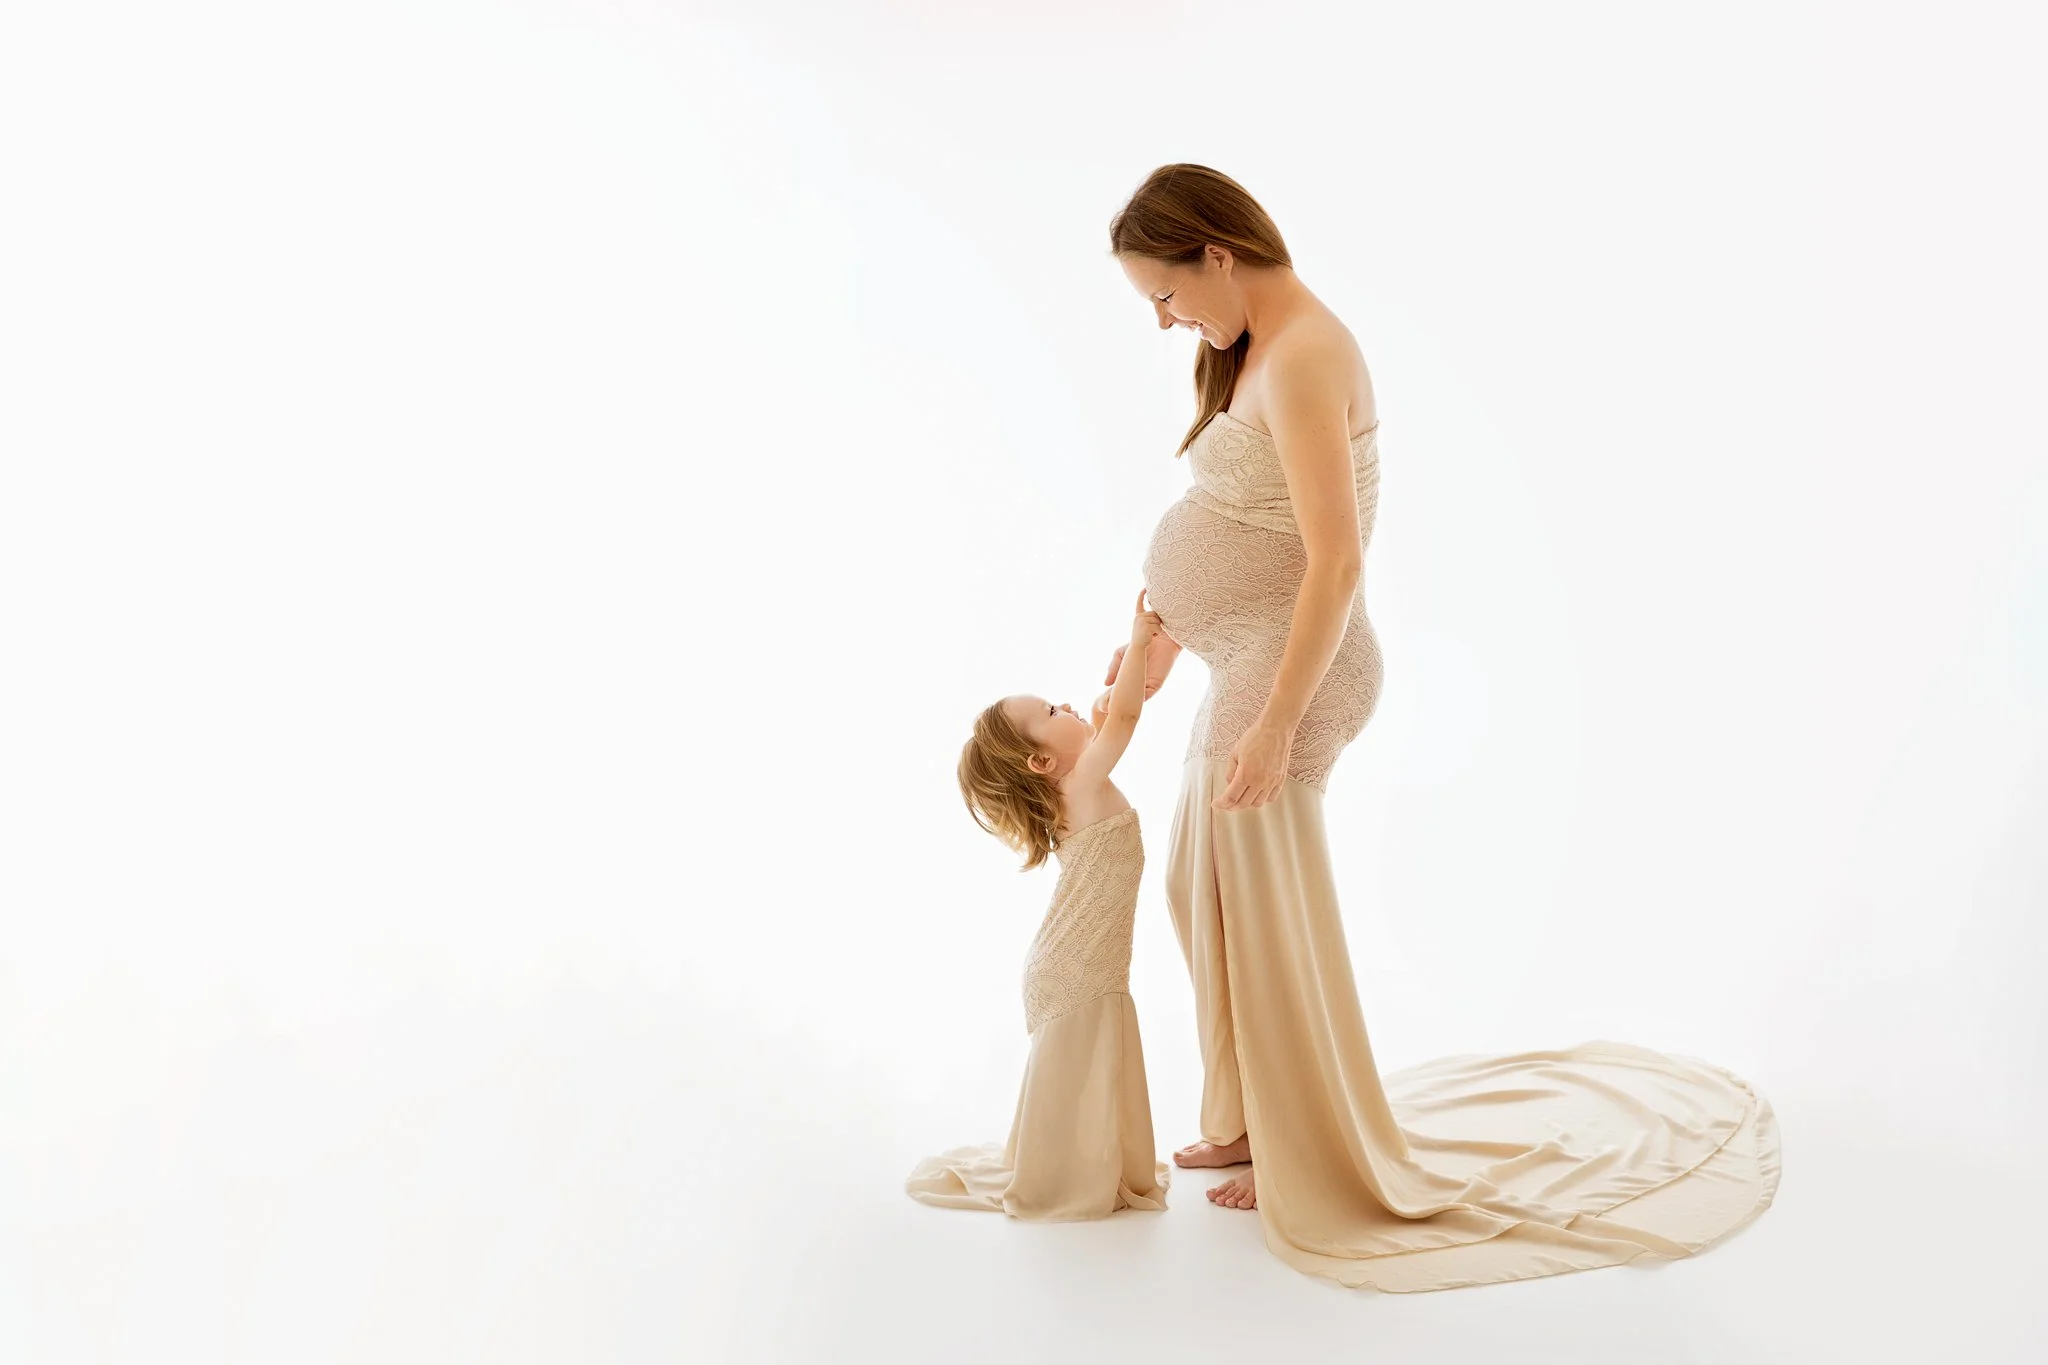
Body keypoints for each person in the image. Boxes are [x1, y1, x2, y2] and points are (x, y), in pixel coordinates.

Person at [1099, 163, 1780, 1291]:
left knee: (1268, 913)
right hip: (1243, 658)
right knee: (1198, 884)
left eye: (1163, 297)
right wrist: (1171, 631)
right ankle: (1243, 1112)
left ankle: (1300, 1146)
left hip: (1291, 673)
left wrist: (1273, 723)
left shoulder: (1308, 353)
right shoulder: (1249, 353)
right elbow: (1239, 519)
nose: (1164, 323)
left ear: (1214, 254)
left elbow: (1335, 560)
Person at [904, 591, 1172, 1220]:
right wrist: (1136, 644)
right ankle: (1065, 1175)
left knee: (1087, 1071)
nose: (1070, 704)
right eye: (1053, 709)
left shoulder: (1075, 786)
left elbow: (1110, 713)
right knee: (1081, 1070)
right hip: (1077, 968)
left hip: (1073, 963)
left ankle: (1091, 1163)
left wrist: (1119, 685)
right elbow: (1126, 719)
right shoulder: (1081, 783)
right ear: (1043, 761)